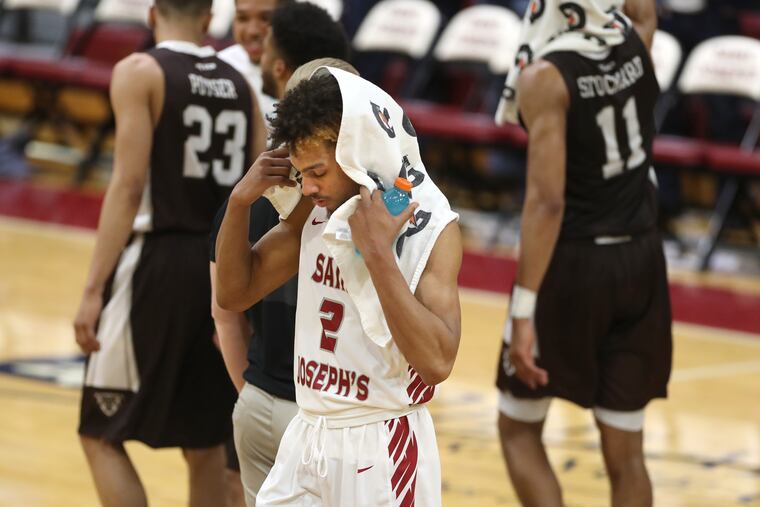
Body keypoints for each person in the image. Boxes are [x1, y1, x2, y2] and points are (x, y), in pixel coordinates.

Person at [214, 68, 463, 505]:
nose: (307, 187)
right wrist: (239, 203)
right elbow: (235, 294)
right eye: (300, 173)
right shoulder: (314, 213)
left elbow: (438, 362)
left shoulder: (430, 225)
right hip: (309, 431)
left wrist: (380, 255)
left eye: (317, 172)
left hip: (381, 441)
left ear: (354, 152)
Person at [72, 0, 265, 505]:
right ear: (209, 20)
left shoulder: (140, 71)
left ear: (152, 14)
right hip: (221, 268)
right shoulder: (242, 85)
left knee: (99, 431)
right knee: (203, 444)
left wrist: (93, 289)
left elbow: (128, 185)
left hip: (156, 264)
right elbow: (258, 189)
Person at [494, 0, 672, 506]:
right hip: (641, 257)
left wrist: (524, 310)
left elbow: (547, 203)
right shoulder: (635, 41)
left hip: (571, 265)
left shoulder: (546, 77)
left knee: (518, 429)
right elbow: (643, 13)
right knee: (627, 454)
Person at [210, 6, 351, 506]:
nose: (309, 184)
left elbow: (224, 313)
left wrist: (250, 392)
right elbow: (227, 302)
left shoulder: (395, 214)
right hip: (306, 412)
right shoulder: (290, 205)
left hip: (309, 413)